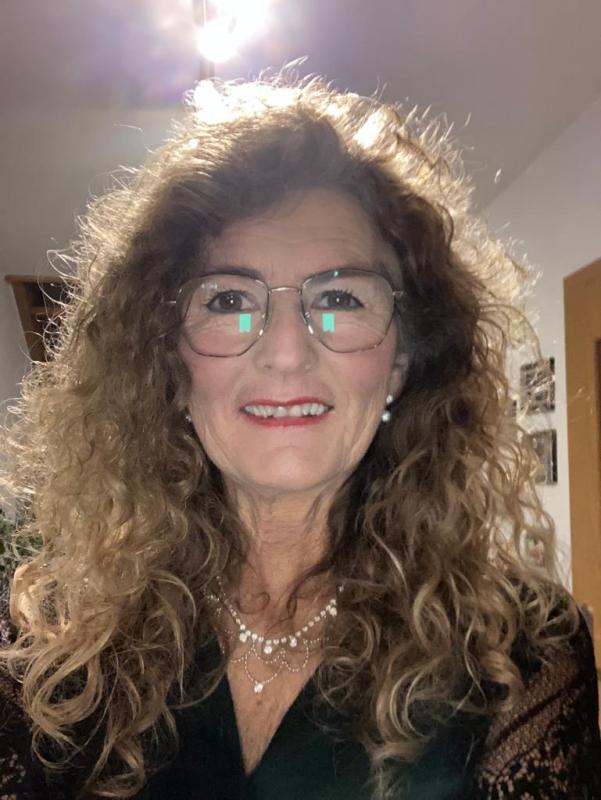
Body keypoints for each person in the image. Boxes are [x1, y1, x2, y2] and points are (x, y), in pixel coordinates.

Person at [0, 70, 600, 800]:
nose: (286, 352)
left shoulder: (523, 652)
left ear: (401, 361)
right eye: (228, 300)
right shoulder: (54, 646)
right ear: (168, 362)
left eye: (339, 296)